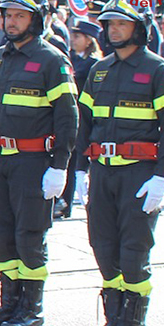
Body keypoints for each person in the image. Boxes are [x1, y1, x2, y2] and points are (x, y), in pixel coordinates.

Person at [77, 0, 164, 326]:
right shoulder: (100, 70)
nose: (115, 30)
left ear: (140, 28)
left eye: (123, 23)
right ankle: (114, 322)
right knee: (103, 246)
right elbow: (84, 123)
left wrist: (162, 176)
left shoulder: (158, 70)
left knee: (133, 250)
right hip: (103, 173)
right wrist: (78, 171)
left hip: (140, 174)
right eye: (111, 24)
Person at [0, 0, 77, 326]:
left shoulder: (52, 60)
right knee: (2, 231)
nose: (12, 22)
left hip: (34, 161)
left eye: (21, 15)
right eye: (8, 15)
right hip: (0, 159)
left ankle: (31, 309)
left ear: (37, 19)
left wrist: (60, 166)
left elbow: (68, 118)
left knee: (29, 234)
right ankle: (9, 302)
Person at [60, 21, 103, 219]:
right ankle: (65, 202)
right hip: (74, 115)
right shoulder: (74, 59)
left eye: (78, 36)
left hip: (87, 116)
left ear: (88, 40)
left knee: (80, 159)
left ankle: (74, 200)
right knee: (71, 160)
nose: (73, 40)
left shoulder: (93, 63)